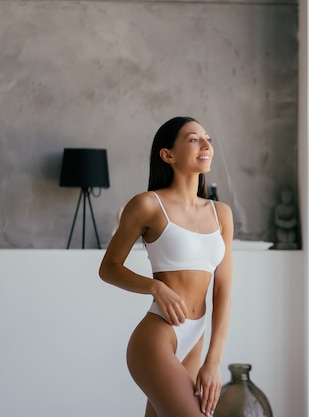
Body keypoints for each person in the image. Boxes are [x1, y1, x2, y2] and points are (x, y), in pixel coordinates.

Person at [99, 116, 233, 417]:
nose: (206, 144)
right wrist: (154, 286)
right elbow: (109, 268)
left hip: (195, 341)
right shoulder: (147, 205)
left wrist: (213, 361)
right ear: (167, 155)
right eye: (193, 138)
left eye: (207, 138)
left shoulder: (221, 213)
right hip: (157, 338)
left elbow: (223, 289)